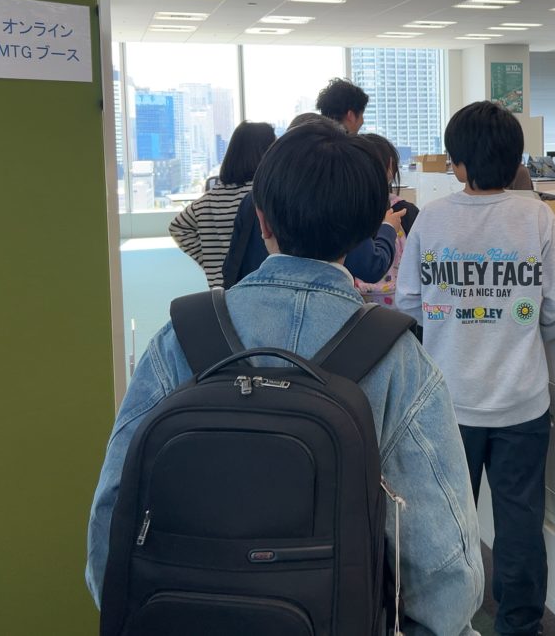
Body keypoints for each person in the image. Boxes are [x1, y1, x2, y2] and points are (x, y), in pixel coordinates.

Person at [87, 124, 485, 636]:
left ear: (261, 219)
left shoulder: (180, 339)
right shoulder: (398, 359)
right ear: (368, 230)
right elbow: (445, 566)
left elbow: (111, 514)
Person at [397, 101, 555, 636]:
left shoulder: (432, 218)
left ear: (457, 163)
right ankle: (520, 627)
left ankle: (448, 623)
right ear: (515, 160)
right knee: (520, 524)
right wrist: (516, 331)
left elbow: (407, 302)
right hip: (522, 403)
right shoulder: (538, 217)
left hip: (449, 403)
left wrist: (451, 325)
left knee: (448, 526)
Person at [222, 117, 403, 287]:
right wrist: (387, 228)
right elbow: (371, 267)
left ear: (263, 222)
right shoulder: (338, 195)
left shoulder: (256, 197)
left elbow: (232, 264)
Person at [167, 121, 275, 287]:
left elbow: (178, 227)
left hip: (220, 292)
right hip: (256, 287)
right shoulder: (262, 196)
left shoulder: (209, 198)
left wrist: (211, 263)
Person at [355, 133, 420, 306]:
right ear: (390, 167)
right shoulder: (406, 211)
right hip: (403, 310)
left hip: (355, 309)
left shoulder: (345, 214)